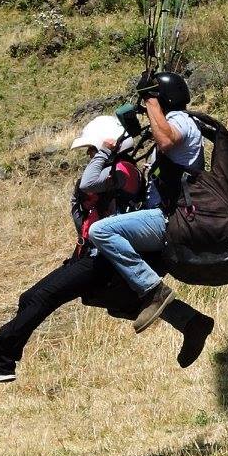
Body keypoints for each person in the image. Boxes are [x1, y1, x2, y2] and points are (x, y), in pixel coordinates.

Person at [0, 107, 213, 383]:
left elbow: (89, 183)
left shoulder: (124, 170)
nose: (90, 156)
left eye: (93, 149)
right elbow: (84, 212)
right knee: (120, 302)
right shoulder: (117, 171)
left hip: (101, 257)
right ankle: (191, 322)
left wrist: (105, 152)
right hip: (93, 254)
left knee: (37, 297)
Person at [86, 71, 205, 334]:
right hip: (161, 214)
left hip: (171, 217)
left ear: (162, 101)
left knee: (101, 231)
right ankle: (190, 323)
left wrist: (151, 101)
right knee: (113, 285)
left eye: (151, 105)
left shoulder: (180, 120)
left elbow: (166, 139)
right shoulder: (172, 122)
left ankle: (155, 291)